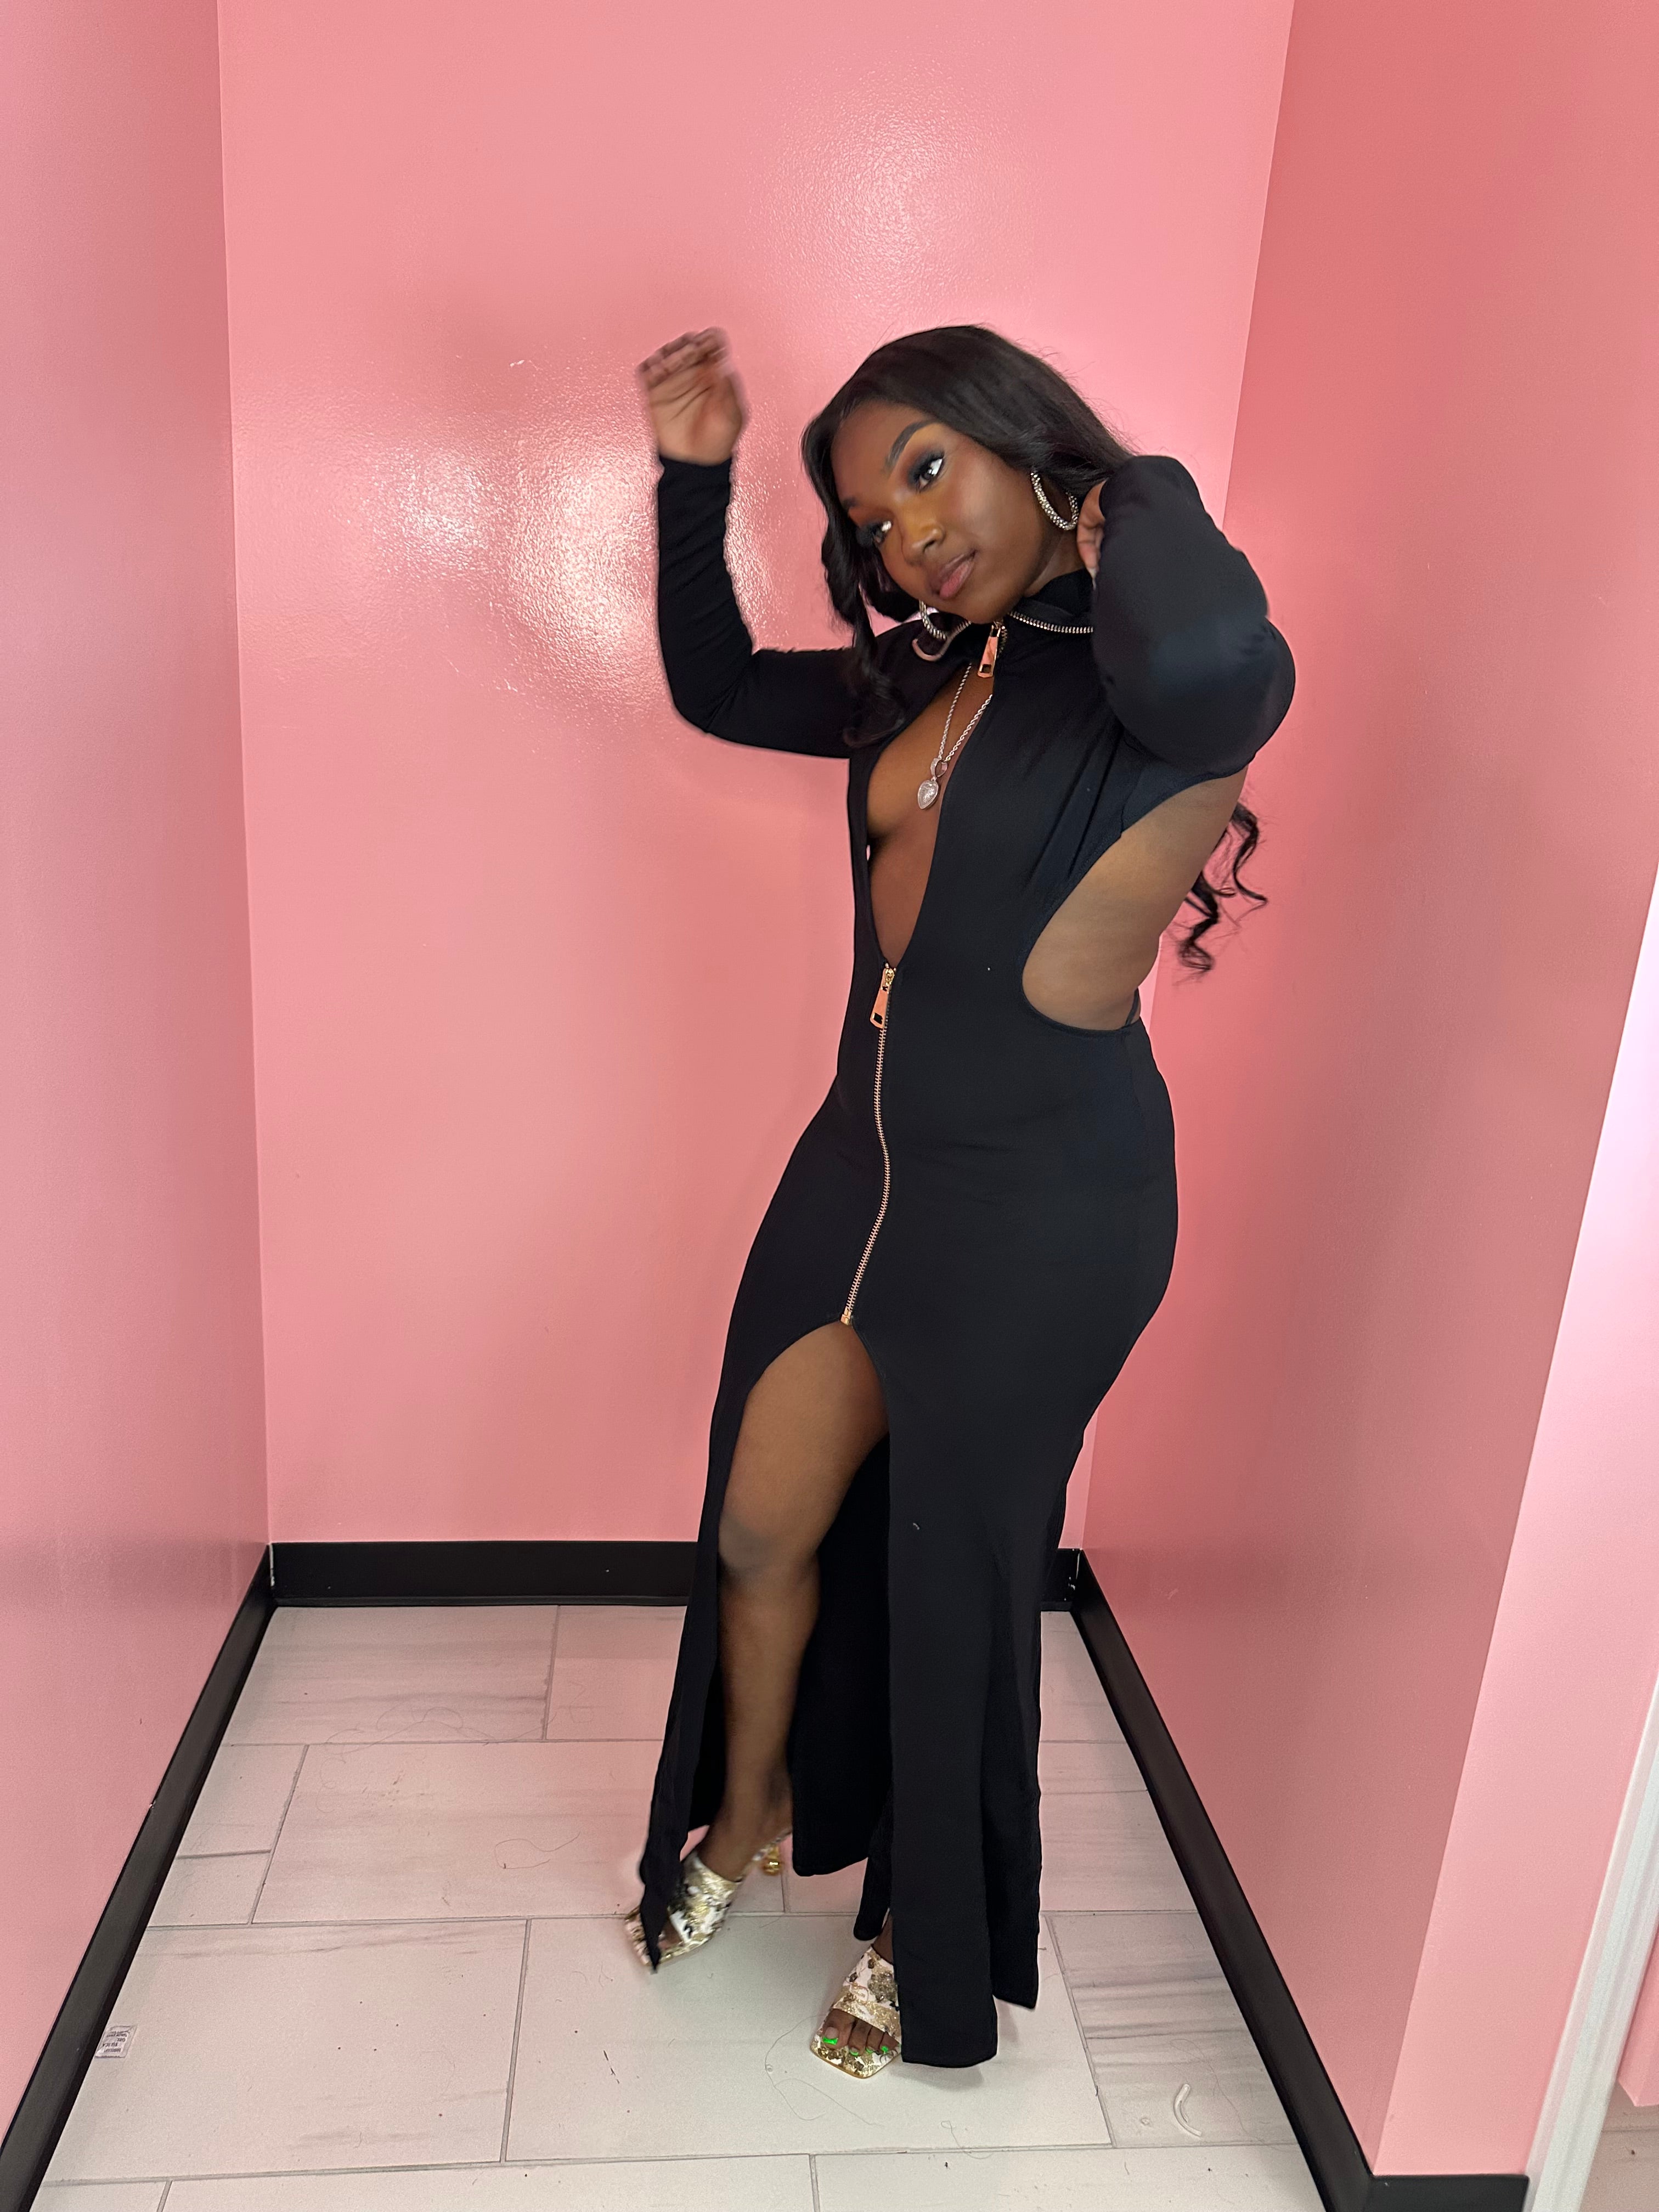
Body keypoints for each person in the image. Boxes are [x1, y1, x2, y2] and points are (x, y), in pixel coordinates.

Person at [623, 323, 1294, 2078]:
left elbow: (1212, 643)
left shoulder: (1166, 690)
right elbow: (716, 687)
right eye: (875, 518)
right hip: (853, 1164)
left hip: (1044, 1204)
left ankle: (918, 1932)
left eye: (932, 472)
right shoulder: (932, 671)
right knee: (761, 1525)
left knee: (958, 1588)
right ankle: (747, 1814)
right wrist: (695, 480)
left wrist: (1123, 483)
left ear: (1029, 446)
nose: (911, 537)